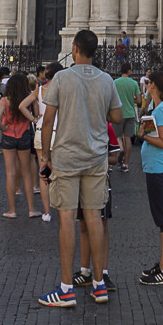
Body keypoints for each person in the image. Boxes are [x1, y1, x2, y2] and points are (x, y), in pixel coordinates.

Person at [37, 30, 124, 307]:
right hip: (96, 158)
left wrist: (45, 156)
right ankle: (99, 284)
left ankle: (66, 289)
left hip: (67, 158)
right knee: (94, 217)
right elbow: (118, 116)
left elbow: (48, 121)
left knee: (66, 219)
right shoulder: (106, 79)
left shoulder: (62, 78)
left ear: (74, 48)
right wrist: (96, 109)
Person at [139, 68, 163, 284]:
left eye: (148, 82)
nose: (146, 85)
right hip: (157, 167)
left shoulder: (162, 110)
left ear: (153, 85)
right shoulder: (160, 107)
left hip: (159, 167)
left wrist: (143, 136)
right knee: (162, 218)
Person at [0, 70, 41, 218]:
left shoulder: (4, 100)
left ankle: (12, 210)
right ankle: (31, 209)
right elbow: (36, 114)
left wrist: (3, 128)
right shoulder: (28, 99)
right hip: (24, 135)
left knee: (10, 173)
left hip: (9, 136)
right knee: (26, 173)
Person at [111, 62, 140, 174]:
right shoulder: (134, 83)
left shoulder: (115, 82)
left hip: (118, 113)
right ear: (128, 71)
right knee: (128, 138)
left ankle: (120, 149)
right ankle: (125, 164)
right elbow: (138, 100)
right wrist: (131, 99)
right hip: (130, 113)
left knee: (116, 135)